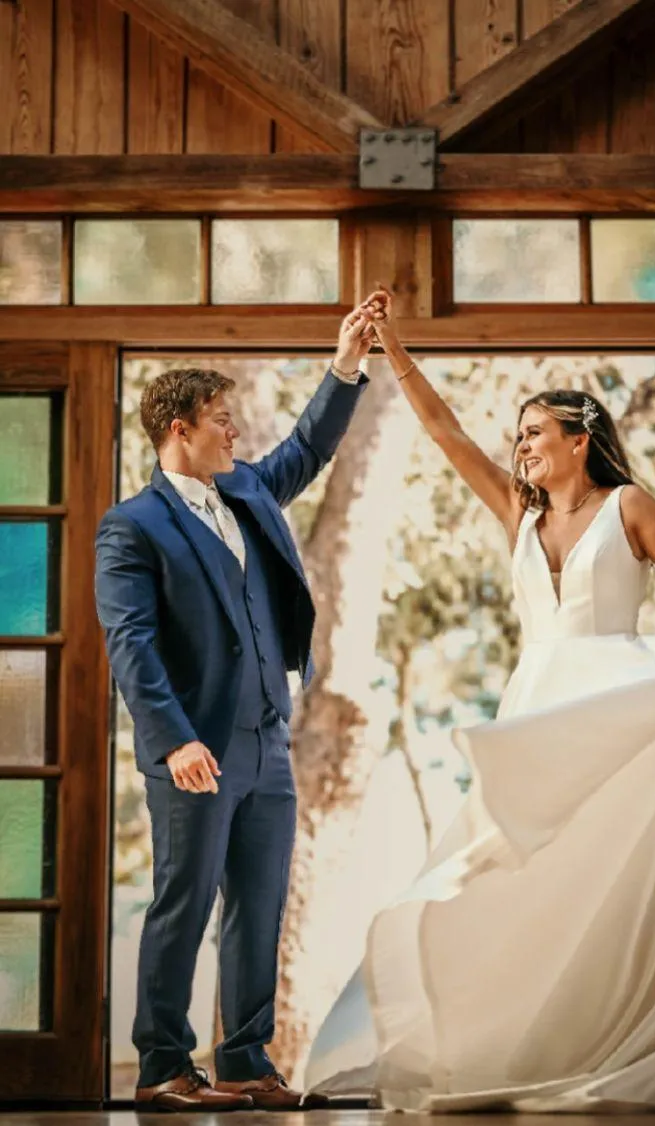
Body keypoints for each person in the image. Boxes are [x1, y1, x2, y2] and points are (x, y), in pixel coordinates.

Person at [304, 289, 655, 1113]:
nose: (521, 445)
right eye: (519, 435)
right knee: (517, 879)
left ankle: (614, 1039)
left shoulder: (626, 505)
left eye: (534, 432)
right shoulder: (516, 513)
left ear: (578, 438)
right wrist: (392, 349)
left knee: (621, 879)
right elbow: (445, 433)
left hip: (612, 714)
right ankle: (515, 1042)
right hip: (536, 709)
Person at [95, 311, 375, 1112]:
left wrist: (344, 365)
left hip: (266, 741)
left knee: (259, 905)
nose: (235, 431)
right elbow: (132, 645)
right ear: (178, 430)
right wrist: (173, 740)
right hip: (196, 749)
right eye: (221, 419)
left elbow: (307, 449)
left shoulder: (247, 489)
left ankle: (246, 1061)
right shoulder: (132, 526)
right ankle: (162, 1067)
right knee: (183, 905)